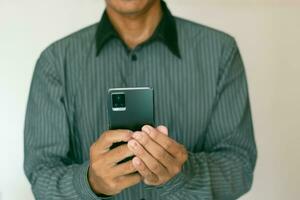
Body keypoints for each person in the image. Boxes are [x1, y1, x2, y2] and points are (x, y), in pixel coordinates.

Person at [24, 0, 257, 199]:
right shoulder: (55, 63)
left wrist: (185, 173)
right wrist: (90, 183)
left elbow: (240, 166)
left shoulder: (220, 52)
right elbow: (41, 174)